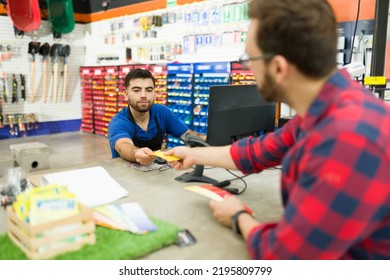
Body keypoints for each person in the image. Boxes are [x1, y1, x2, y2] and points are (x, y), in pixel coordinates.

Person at [166, 0, 390, 259]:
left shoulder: (346, 140)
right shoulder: (330, 104)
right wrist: (195, 154)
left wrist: (238, 217)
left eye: (250, 58)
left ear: (279, 68)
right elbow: (259, 151)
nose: (249, 67)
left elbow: (287, 256)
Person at [108, 68, 204, 165]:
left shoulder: (162, 112)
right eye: (136, 90)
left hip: (155, 173)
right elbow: (123, 146)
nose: (143, 95)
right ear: (126, 94)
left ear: (154, 94)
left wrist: (210, 139)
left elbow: (187, 135)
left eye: (149, 90)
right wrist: (137, 153)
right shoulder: (119, 122)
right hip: (124, 175)